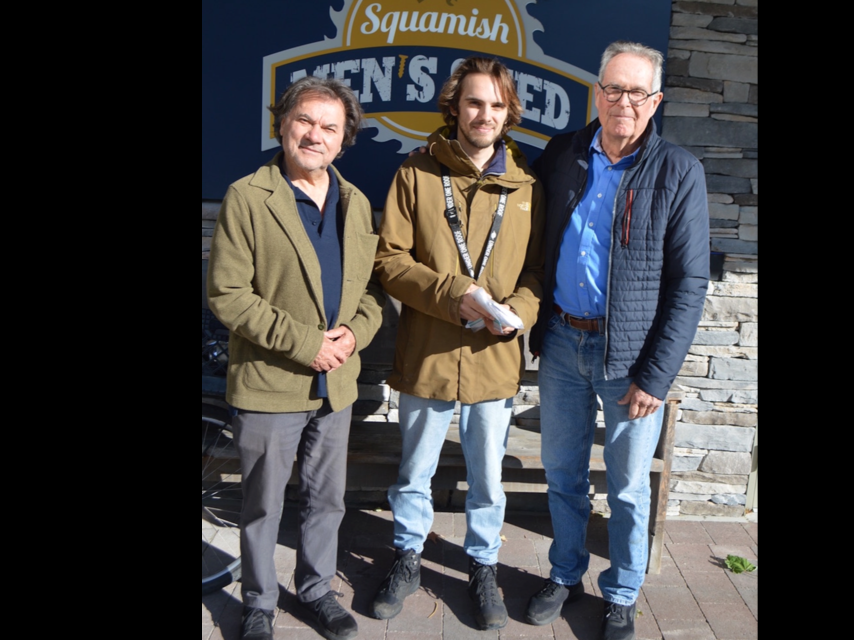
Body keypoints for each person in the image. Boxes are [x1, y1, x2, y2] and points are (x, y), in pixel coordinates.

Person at [523, 41, 710, 640]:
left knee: (628, 488)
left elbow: (690, 281)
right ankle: (564, 572)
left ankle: (623, 591)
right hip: (560, 343)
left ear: (655, 101)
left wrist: (656, 375)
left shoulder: (678, 170)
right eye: (612, 89)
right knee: (562, 471)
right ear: (595, 93)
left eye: (636, 92)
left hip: (629, 359)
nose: (621, 102)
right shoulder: (563, 153)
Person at [207, 77, 385, 640]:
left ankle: (315, 589)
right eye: (304, 120)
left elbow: (372, 294)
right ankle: (258, 602)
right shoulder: (248, 195)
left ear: (343, 140)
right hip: (270, 383)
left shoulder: (355, 202)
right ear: (282, 124)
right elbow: (228, 295)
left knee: (326, 501)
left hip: (335, 384)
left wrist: (354, 335)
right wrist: (307, 343)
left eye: (329, 127)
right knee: (261, 505)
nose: (315, 135)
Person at [372, 56, 545, 631]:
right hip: (428, 355)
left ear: (509, 113)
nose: (485, 114)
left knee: (488, 478)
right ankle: (407, 556)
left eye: (497, 105)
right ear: (454, 106)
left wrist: (518, 312)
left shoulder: (527, 184)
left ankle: (484, 565)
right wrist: (454, 293)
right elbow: (390, 261)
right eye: (474, 102)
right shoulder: (415, 173)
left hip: (495, 360)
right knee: (414, 470)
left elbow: (539, 270)